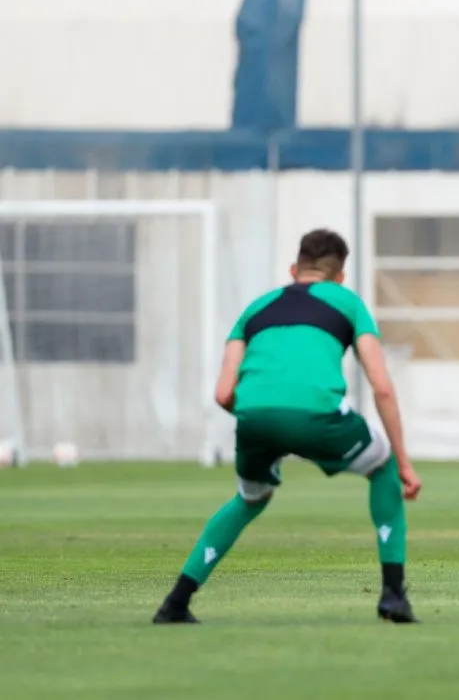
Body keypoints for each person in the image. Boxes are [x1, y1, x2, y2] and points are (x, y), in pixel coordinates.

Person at [152, 229, 422, 625]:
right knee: (380, 469)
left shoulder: (256, 309)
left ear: (294, 270)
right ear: (340, 276)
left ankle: (176, 602)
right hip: (317, 416)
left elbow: (224, 392)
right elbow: (381, 385)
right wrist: (404, 463)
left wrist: (267, 422)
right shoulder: (348, 302)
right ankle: (393, 595)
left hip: (254, 418)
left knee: (251, 498)